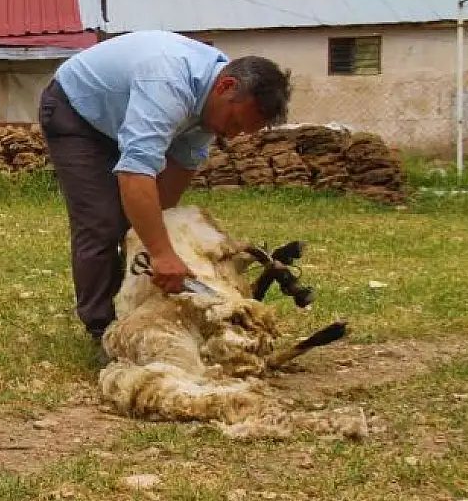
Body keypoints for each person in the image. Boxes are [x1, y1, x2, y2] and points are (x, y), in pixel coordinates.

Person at [39, 30, 292, 364]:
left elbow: (177, 171)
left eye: (243, 131)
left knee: (136, 226)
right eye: (234, 122)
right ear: (226, 87)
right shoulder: (168, 82)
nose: (232, 134)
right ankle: (103, 330)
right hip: (76, 113)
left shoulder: (209, 108)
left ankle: (135, 308)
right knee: (102, 223)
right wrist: (160, 253)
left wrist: (156, 240)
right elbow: (136, 172)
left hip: (118, 117)